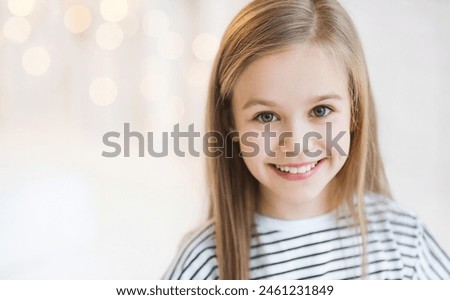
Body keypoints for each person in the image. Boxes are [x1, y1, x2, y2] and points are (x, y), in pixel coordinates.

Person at [163, 0, 450, 280]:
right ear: (231, 123)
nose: (296, 143)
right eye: (266, 116)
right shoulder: (205, 263)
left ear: (355, 112)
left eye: (320, 111)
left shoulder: (404, 243)